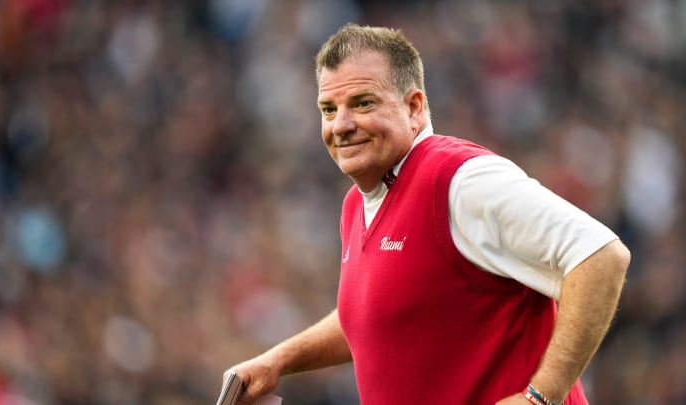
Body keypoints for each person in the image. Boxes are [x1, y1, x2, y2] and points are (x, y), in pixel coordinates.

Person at [222, 23, 630, 405]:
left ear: (415, 107)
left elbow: (601, 256)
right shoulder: (357, 202)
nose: (340, 125)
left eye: (362, 103)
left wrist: (541, 397)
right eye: (329, 109)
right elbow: (378, 317)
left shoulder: (459, 180)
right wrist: (277, 361)